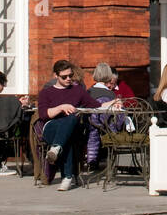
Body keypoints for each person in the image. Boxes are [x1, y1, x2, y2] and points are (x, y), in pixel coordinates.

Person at [38, 58, 118, 191]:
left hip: (70, 128)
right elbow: (44, 114)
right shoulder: (46, 92)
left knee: (71, 120)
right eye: (64, 77)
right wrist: (61, 107)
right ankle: (67, 177)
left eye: (70, 75)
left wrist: (114, 102)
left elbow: (96, 105)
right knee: (68, 128)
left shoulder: (77, 91)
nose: (68, 79)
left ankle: (57, 151)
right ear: (56, 76)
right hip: (51, 126)